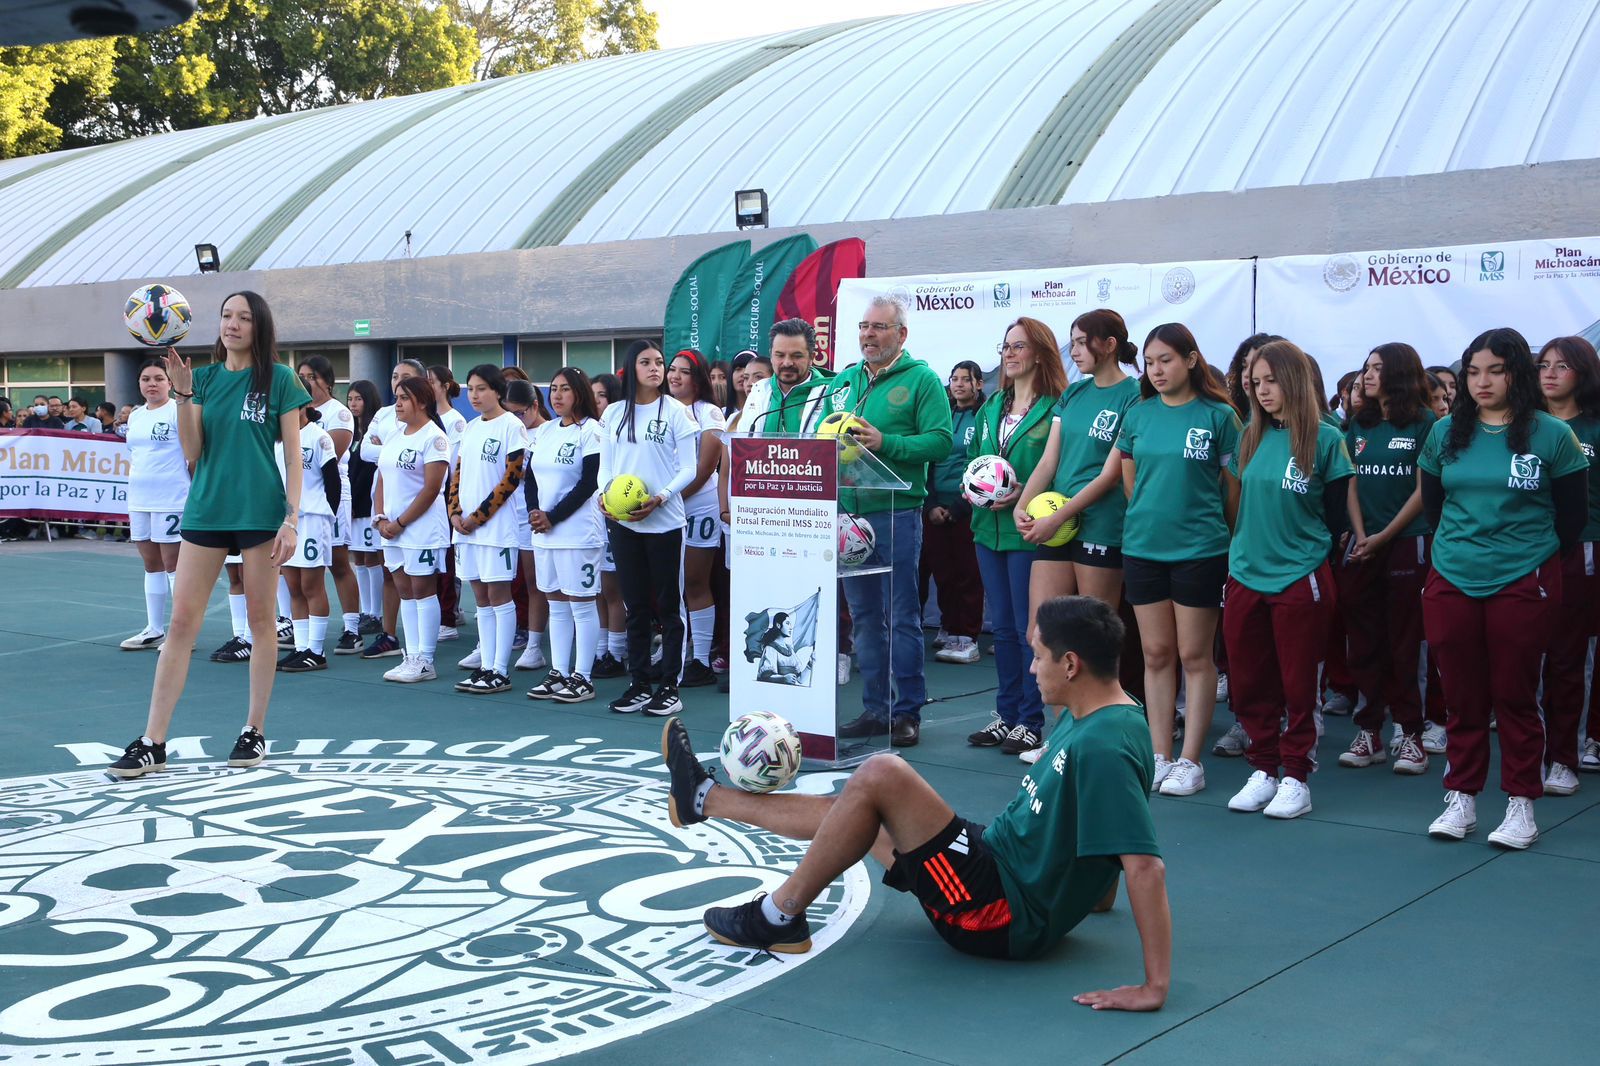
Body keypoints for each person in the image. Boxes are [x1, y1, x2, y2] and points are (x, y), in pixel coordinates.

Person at [661, 595, 1170, 1000]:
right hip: (994, 869)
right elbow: (1105, 837)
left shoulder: (1103, 745)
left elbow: (1145, 867)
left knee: (883, 772)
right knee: (856, 813)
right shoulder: (1098, 717)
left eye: (1039, 657)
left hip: (995, 913)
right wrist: (1092, 894)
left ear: (1072, 664)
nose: (1033, 668)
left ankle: (778, 916)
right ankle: (704, 798)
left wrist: (1153, 987)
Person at [107, 291, 310, 779]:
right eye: (225, 315)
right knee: (181, 625)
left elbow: (293, 455)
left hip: (261, 512)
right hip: (206, 510)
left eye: (242, 317)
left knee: (262, 623)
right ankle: (153, 740)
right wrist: (181, 395)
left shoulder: (279, 379)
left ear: (259, 326)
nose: (232, 324)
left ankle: (253, 731)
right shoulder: (202, 380)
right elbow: (193, 448)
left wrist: (292, 517)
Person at [1421, 328, 1589, 849]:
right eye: (1473, 371)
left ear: (1517, 372)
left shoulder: (1551, 435)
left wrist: (1523, 560)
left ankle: (1521, 803)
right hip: (1451, 575)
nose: (1482, 381)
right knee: (1461, 693)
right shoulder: (1446, 432)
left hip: (1523, 579)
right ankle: (1462, 797)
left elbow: (1572, 518)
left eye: (1495, 370)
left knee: (1515, 693)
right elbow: (1433, 508)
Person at [1104, 324, 1240, 795]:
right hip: (1142, 549)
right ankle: (1160, 754)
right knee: (1155, 654)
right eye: (1150, 362)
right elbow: (1129, 482)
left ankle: (1190, 761)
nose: (1157, 370)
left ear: (1191, 359)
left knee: (1195, 655)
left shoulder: (1220, 416)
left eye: (1166, 360)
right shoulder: (1138, 416)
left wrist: (1208, 529)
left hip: (1201, 552)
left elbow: (1232, 492)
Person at [1222, 341, 1354, 818]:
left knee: (1300, 683)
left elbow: (1336, 516)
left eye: (1271, 381)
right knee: (1249, 678)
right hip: (1245, 575)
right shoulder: (1250, 436)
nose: (1262, 391)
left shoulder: (1325, 438)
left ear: (1294, 380)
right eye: (1255, 383)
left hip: (1300, 577)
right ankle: (1263, 767)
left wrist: (1304, 553)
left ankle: (1296, 774)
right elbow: (1238, 505)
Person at [1016, 310, 1144, 760]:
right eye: (1070, 343)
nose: (1073, 351)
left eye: (1080, 342)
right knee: (1043, 631)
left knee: (1092, 641)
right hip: (1054, 525)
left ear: (1107, 345)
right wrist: (1023, 505)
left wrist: (1059, 515)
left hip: (1102, 525)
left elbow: (1111, 474)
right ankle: (1059, 738)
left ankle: (1094, 738)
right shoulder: (1072, 394)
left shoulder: (1133, 395)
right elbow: (1049, 462)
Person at [831, 295, 955, 748]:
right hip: (847, 513)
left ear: (901, 334)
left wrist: (887, 443)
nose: (868, 334)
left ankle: (907, 712)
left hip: (896, 513)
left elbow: (941, 442)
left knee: (901, 614)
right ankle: (874, 709)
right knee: (863, 617)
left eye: (879, 327)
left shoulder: (922, 380)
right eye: (864, 326)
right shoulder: (844, 380)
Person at [963, 321, 1068, 754]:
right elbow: (975, 459)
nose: (1009, 354)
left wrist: (1021, 492)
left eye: (1019, 346)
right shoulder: (991, 407)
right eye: (1005, 346)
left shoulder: (1056, 406)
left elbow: (1059, 467)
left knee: (1031, 630)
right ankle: (1006, 715)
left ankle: (1031, 718)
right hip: (988, 531)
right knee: (1002, 629)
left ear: (1040, 353)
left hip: (1030, 533)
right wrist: (973, 486)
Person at [1337, 343, 1436, 773]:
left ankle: (1412, 734)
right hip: (1363, 544)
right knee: (1363, 638)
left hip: (1406, 541)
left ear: (1398, 372)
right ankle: (1369, 731)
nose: (1368, 375)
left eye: (1378, 368)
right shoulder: (1359, 423)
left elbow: (1423, 491)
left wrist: (1384, 536)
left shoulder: (1425, 423)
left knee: (1404, 641)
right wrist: (1361, 535)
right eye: (1366, 368)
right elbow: (1351, 483)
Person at [599, 340, 700, 717]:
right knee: (635, 606)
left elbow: (688, 468)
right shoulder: (612, 414)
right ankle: (639, 683)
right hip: (624, 523)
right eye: (647, 362)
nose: (656, 369)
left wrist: (660, 497)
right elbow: (606, 466)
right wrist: (603, 495)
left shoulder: (676, 412)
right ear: (632, 368)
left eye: (660, 362)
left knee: (669, 607)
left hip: (665, 523)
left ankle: (670, 686)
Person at [1536, 336, 1600, 789]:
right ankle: (1533, 753)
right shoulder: (1525, 425)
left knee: (1571, 656)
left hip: (1583, 550)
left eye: (1563, 365)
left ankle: (1566, 755)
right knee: (1528, 657)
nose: (1550, 373)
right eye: (1544, 365)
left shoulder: (1596, 427)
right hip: (1526, 552)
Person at [523, 366, 604, 703]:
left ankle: (582, 676)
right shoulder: (545, 431)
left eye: (565, 389)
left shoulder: (592, 431)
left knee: (581, 605)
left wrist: (553, 516)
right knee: (556, 604)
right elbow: (530, 478)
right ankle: (559, 671)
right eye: (553, 388)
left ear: (580, 392)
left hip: (577, 532)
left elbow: (589, 482)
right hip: (544, 533)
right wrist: (535, 513)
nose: (557, 395)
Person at [447, 364, 526, 695]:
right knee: (480, 597)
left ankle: (500, 669)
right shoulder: (470, 428)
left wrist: (477, 516)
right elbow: (458, 474)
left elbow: (512, 476)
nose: (475, 395)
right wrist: (454, 512)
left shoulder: (512, 426)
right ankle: (486, 665)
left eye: (481, 388)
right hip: (466, 530)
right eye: (471, 388)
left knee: (498, 595)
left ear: (498, 391)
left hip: (496, 529)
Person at [374, 376, 451, 683]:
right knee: (405, 590)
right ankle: (412, 654)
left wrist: (401, 522)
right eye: (397, 397)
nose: (398, 404)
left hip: (421, 528)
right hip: (391, 528)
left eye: (404, 398)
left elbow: (432, 489)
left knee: (422, 590)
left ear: (421, 401)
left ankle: (426, 660)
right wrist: (381, 518)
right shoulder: (395, 434)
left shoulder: (434, 438)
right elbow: (382, 478)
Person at [358, 359, 428, 659]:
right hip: (386, 504)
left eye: (407, 379)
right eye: (395, 377)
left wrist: (383, 447)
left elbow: (431, 478)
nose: (399, 384)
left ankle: (424, 651)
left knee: (421, 585)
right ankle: (391, 635)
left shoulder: (431, 427)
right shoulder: (385, 414)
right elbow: (365, 450)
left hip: (415, 514)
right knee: (392, 574)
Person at [119, 358, 191, 651]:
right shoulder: (135, 415)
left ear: (170, 382)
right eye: (146, 379)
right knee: (151, 564)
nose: (152, 384)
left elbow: (193, 453)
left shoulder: (178, 411)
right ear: (139, 384)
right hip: (139, 498)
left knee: (173, 564)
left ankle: (182, 633)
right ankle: (154, 629)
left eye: (159, 378)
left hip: (171, 498)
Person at [295, 355, 364, 654]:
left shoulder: (338, 413)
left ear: (328, 381)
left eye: (312, 377)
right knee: (296, 568)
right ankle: (300, 632)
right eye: (302, 376)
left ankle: (352, 628)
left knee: (338, 561)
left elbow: (328, 458)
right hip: (300, 501)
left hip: (330, 494)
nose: (307, 382)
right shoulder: (290, 414)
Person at [666, 349, 725, 688]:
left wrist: (668, 498)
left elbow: (705, 468)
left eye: (683, 372)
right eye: (671, 369)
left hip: (697, 504)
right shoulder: (660, 408)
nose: (674, 376)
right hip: (664, 506)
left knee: (695, 582)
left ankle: (701, 660)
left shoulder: (709, 411)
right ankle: (675, 653)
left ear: (697, 377)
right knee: (666, 584)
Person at [920, 360, 983, 665]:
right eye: (954, 379)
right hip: (934, 507)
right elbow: (927, 461)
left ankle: (967, 636)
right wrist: (931, 504)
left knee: (968, 573)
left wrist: (959, 506)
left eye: (965, 379)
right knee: (942, 572)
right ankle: (949, 625)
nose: (958, 384)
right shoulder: (940, 414)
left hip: (966, 507)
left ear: (978, 384)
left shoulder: (982, 417)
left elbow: (982, 464)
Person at [276, 406, 342, 672]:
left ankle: (316, 650)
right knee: (293, 585)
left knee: (311, 585)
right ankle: (301, 647)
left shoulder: (319, 437)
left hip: (313, 518)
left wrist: (326, 515)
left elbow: (332, 482)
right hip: (285, 520)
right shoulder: (278, 438)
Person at [498, 377, 552, 674]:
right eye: (510, 413)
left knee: (536, 583)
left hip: (536, 514)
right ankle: (494, 645)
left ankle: (534, 645)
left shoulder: (546, 431)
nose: (516, 419)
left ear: (534, 406)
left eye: (520, 413)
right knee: (499, 582)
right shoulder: (506, 429)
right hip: (508, 514)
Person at [589, 372, 628, 677]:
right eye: (592, 395)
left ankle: (617, 652)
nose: (595, 401)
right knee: (599, 588)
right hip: (593, 518)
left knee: (614, 589)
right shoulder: (591, 429)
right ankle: (601, 648)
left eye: (600, 395)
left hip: (616, 516)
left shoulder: (620, 428)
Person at [344, 380, 386, 632]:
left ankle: (376, 613)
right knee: (358, 557)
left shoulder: (374, 432)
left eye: (358, 398)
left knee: (372, 557)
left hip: (369, 502)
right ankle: (365, 611)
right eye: (350, 399)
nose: (353, 404)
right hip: (352, 502)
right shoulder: (351, 432)